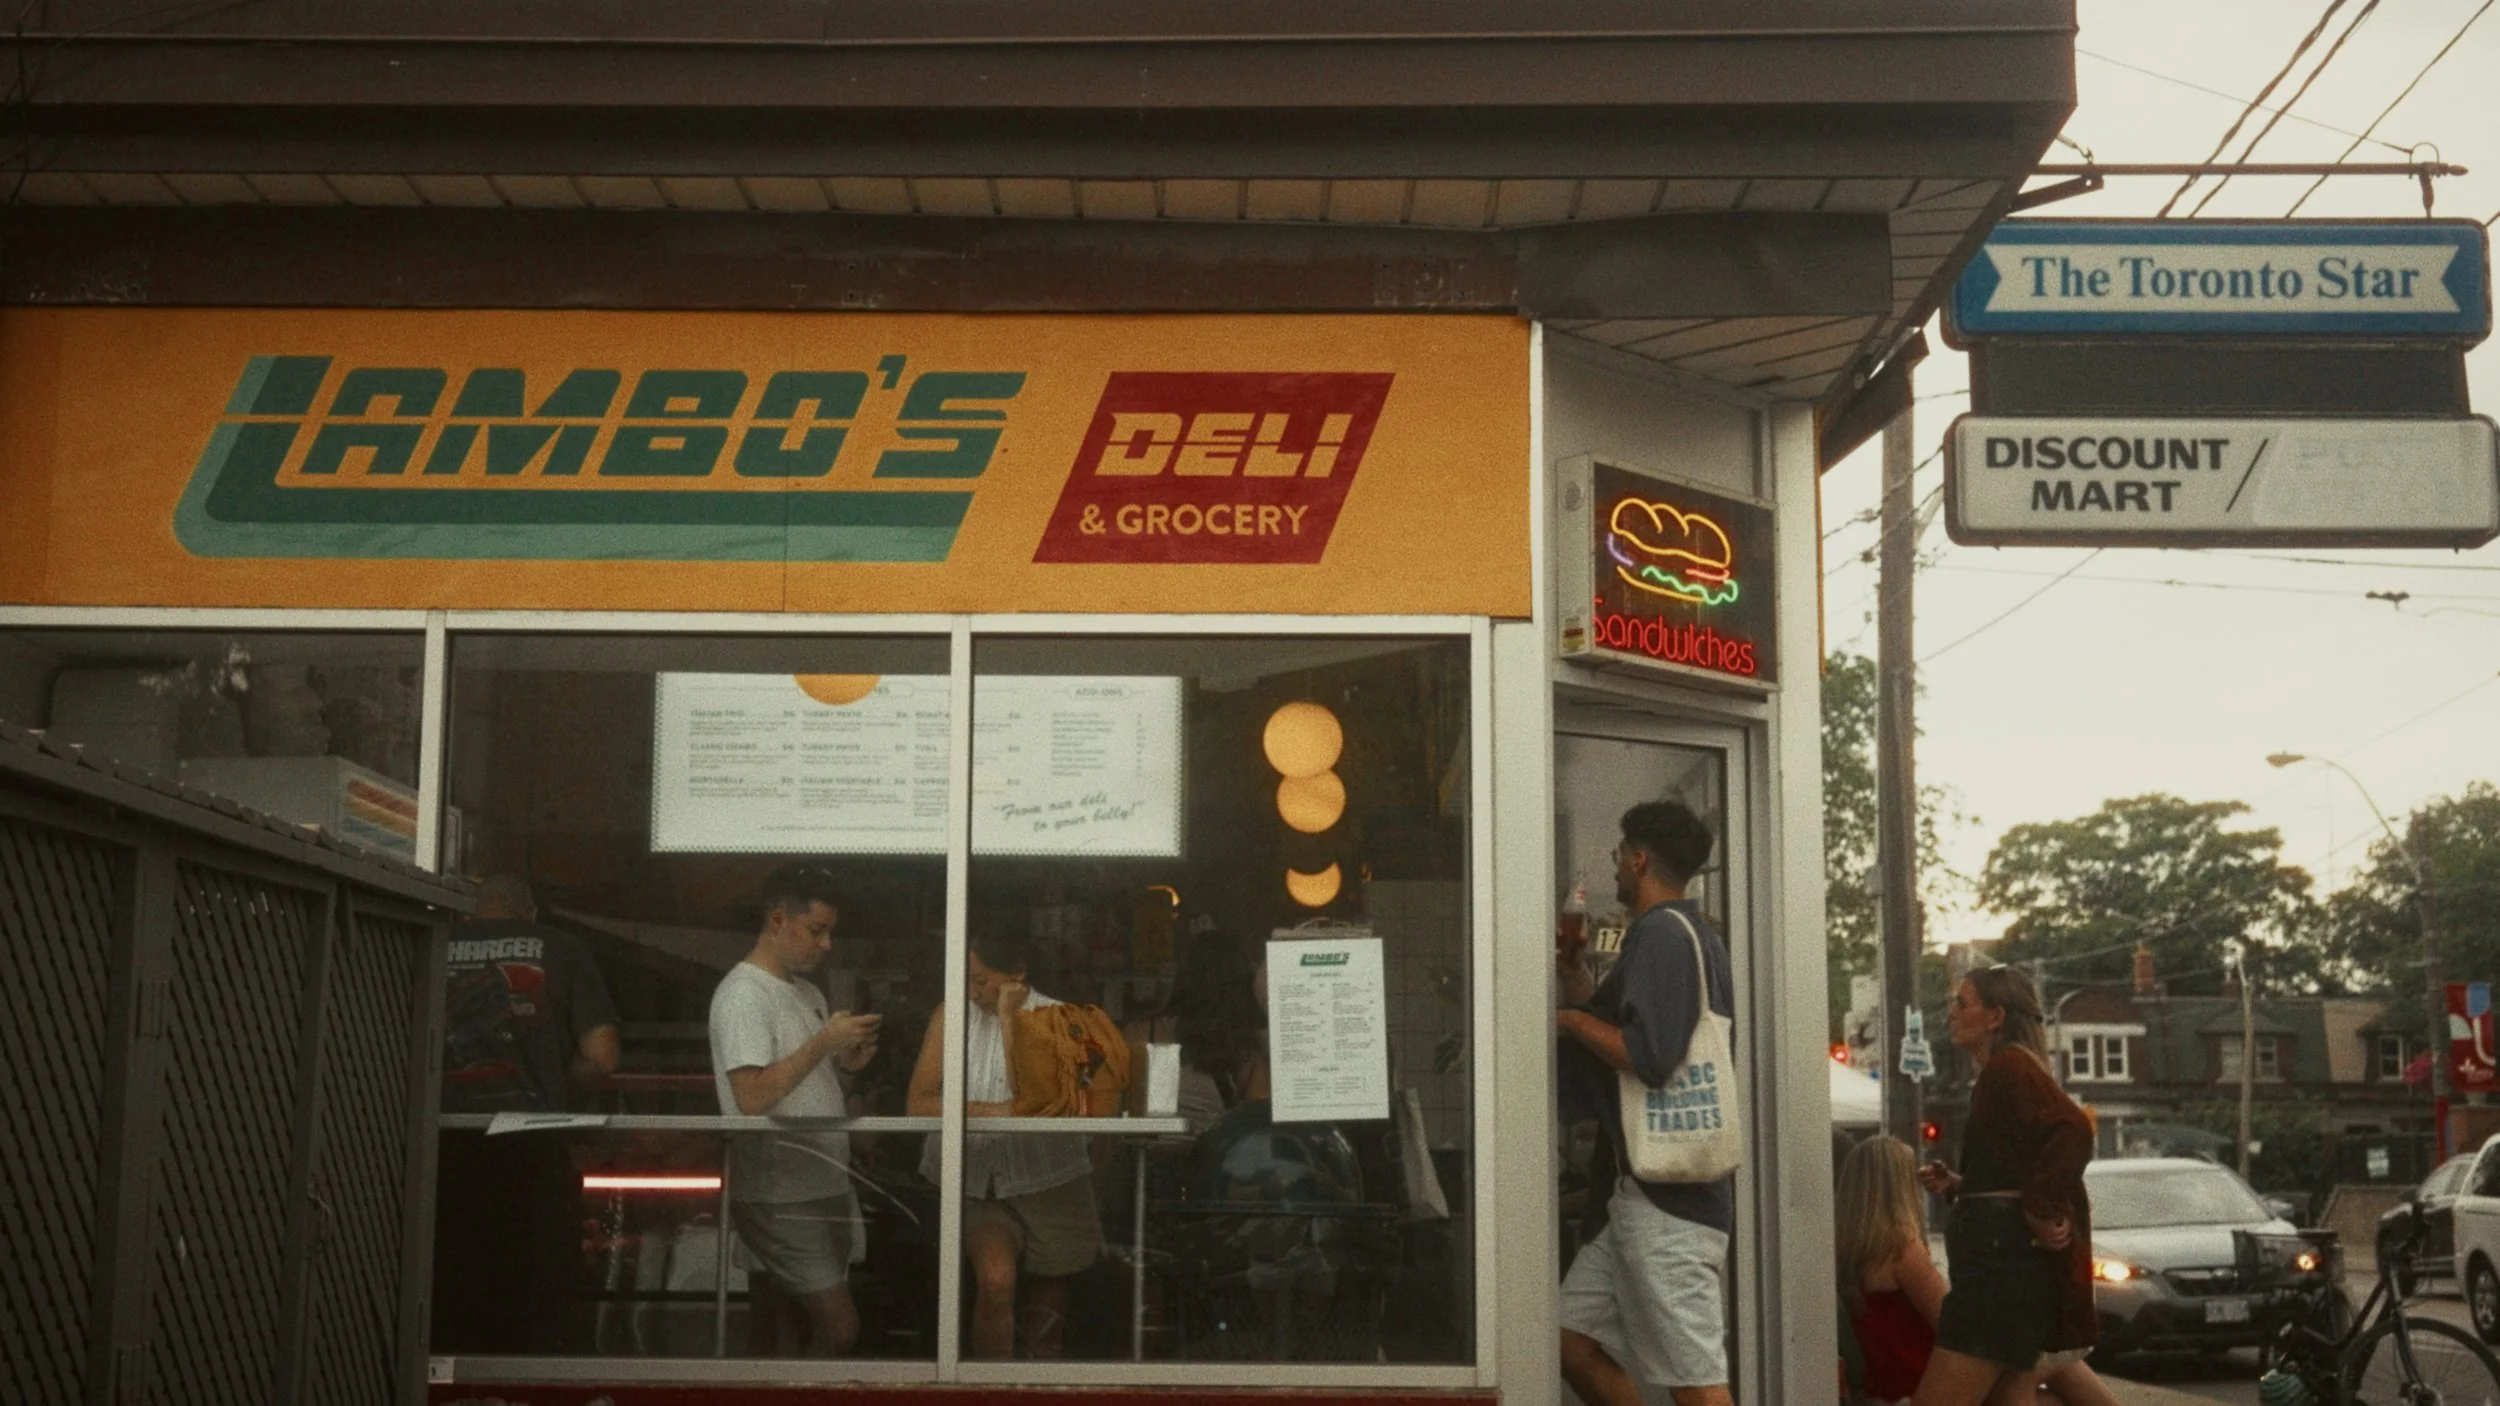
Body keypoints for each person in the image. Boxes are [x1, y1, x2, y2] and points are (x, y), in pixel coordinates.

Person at [1554, 800, 1736, 1406]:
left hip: (1670, 1210)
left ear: (1639, 859)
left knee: (1699, 1387)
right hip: (1641, 1201)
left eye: (1618, 857)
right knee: (1568, 1341)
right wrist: (1578, 983)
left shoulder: (1661, 932)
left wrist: (1568, 1020)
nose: (1614, 871)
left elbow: (1649, 1056)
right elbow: (1620, 1025)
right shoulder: (1683, 935)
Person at [432, 874, 621, 1353]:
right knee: (534, 1290)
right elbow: (601, 1057)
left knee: (449, 1285)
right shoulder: (563, 948)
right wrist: (557, 1076)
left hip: (440, 1147)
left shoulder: (433, 943)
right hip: (530, 1145)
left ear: (469, 913)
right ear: (531, 915)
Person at [709, 863, 882, 1357]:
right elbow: (752, 1097)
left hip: (823, 1180)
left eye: (830, 933)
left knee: (783, 1321)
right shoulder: (744, 995)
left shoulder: (806, 992)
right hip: (780, 1191)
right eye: (816, 931)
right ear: (779, 920)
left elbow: (800, 1082)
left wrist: (843, 1065)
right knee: (839, 1326)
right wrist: (823, 1043)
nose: (825, 946)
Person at [907, 929, 1103, 1358]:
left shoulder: (1064, 1019)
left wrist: (1011, 1020)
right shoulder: (949, 1016)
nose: (972, 992)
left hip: (1052, 1180)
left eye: (981, 980)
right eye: (965, 979)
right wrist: (999, 1112)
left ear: (1017, 972)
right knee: (996, 1281)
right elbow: (918, 1103)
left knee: (1046, 1322)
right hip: (978, 1180)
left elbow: (1047, 1101)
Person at [1910, 967, 2097, 1406]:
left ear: (1995, 1016)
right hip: (2003, 1265)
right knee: (2008, 1396)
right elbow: (2016, 1166)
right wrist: (1964, 1185)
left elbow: (2074, 1129)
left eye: (1963, 1003)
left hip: (1996, 1272)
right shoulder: (2003, 1071)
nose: (1952, 1014)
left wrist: (2040, 1204)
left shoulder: (2007, 1065)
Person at [1837, 1135, 2118, 1406]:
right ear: (1899, 1188)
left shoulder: (1848, 1253)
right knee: (2061, 1364)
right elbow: (1959, 1326)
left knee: (2050, 1397)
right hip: (1928, 1379)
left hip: (1889, 1381)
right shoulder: (1900, 1249)